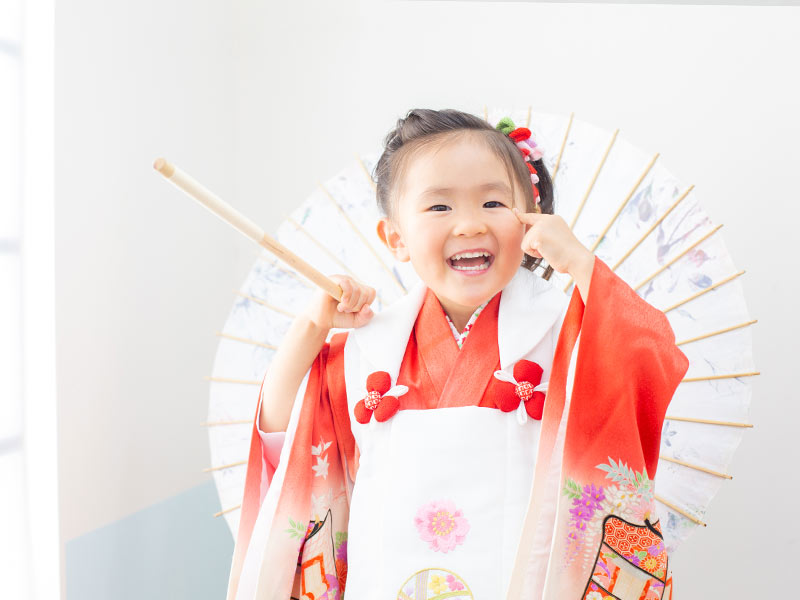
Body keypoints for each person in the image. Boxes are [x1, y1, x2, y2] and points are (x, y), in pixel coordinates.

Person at [225, 109, 689, 600]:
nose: (469, 225)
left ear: (530, 219)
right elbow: (286, 439)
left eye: (493, 202)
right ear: (396, 239)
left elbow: (648, 363)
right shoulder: (369, 349)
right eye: (439, 208)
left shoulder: (571, 333)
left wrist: (580, 263)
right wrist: (310, 328)